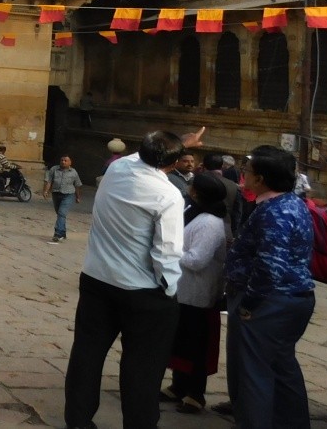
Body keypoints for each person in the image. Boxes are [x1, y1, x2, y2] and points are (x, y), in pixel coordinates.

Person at [63, 126, 205, 429]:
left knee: (87, 354)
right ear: (174, 163)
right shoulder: (168, 194)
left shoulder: (117, 170)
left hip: (97, 279)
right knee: (142, 367)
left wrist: (179, 144)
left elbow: (141, 155)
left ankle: (77, 420)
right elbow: (167, 251)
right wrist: (169, 289)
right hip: (142, 291)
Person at [224, 144, 315, 429]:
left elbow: (270, 266)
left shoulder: (275, 212)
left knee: (253, 374)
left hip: (269, 302)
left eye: (247, 171)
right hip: (291, 297)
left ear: (260, 178)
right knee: (282, 368)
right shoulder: (292, 203)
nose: (244, 176)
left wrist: (249, 303)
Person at [162, 171, 230, 414]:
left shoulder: (210, 223)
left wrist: (169, 250)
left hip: (199, 293)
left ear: (197, 192)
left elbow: (197, 260)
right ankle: (178, 385)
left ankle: (195, 393)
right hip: (184, 291)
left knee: (196, 346)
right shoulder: (195, 213)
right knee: (180, 341)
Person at [43, 154, 82, 243]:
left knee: (61, 213)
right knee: (60, 214)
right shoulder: (54, 169)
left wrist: (78, 197)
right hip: (56, 194)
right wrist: (46, 191)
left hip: (68, 194)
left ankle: (57, 234)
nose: (63, 162)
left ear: (70, 162)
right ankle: (63, 233)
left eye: (65, 161)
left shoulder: (73, 172)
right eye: (62, 160)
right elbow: (49, 181)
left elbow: (77, 185)